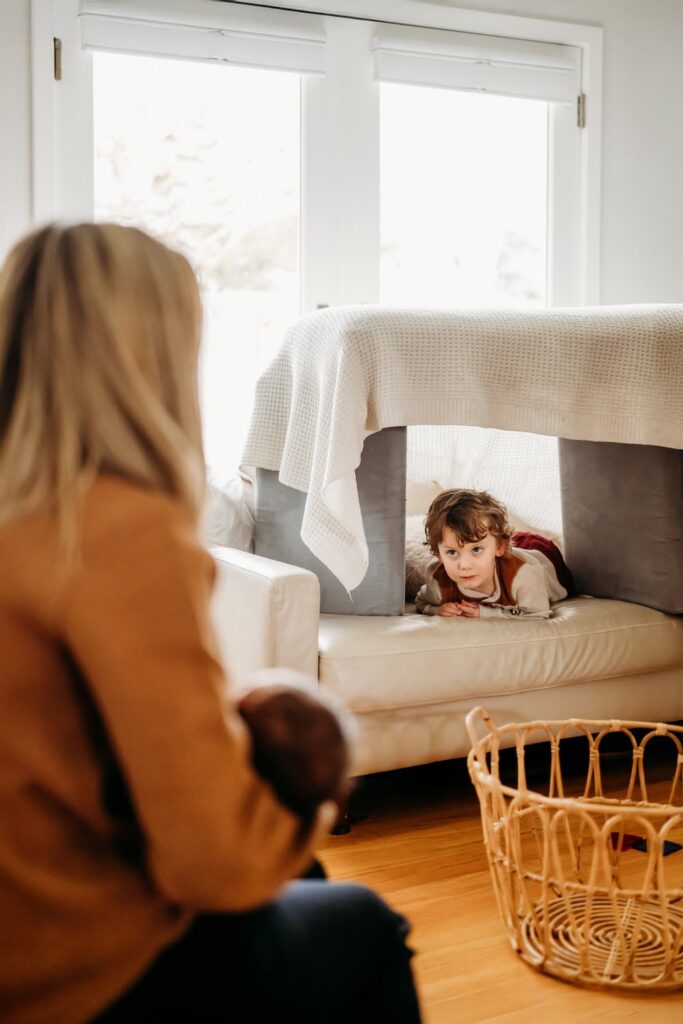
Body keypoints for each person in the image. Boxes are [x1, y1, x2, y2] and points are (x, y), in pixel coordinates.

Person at [0, 223, 422, 1024]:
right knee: (362, 923)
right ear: (151, 356)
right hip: (57, 968)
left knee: (301, 887)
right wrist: (312, 799)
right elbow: (212, 861)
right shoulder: (113, 526)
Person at [416, 488, 573, 619]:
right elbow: (421, 602)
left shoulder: (524, 574)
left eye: (476, 550)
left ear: (500, 547)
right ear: (438, 555)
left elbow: (538, 615)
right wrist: (437, 610)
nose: (464, 565)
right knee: (485, 537)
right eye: (451, 552)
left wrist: (485, 613)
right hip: (499, 546)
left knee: (518, 540)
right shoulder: (438, 580)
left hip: (543, 555)